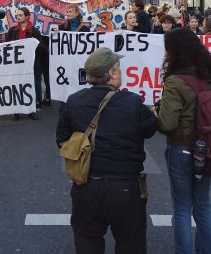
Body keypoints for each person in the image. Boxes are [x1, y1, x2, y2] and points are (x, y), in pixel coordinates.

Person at [56, 47, 158, 253]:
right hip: (126, 187)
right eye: (118, 68)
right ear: (112, 73)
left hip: (86, 186)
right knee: (131, 243)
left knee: (87, 241)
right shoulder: (131, 101)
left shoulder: (74, 101)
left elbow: (61, 140)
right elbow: (150, 129)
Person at [157, 27, 211, 254]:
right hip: (207, 148)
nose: (165, 54)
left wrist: (155, 113)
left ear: (174, 51)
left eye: (167, 49)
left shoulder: (175, 81)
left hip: (182, 148)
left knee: (181, 208)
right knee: (203, 205)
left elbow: (167, 124)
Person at [6, 6, 46, 121]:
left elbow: (41, 48)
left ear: (27, 16)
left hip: (32, 64)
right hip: (17, 64)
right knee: (17, 85)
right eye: (17, 15)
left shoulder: (34, 31)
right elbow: (7, 46)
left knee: (32, 85)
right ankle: (17, 110)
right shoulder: (12, 30)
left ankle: (32, 109)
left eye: (20, 15)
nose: (18, 17)